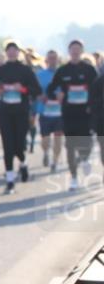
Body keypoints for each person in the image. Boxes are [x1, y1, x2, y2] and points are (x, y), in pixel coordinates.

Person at [0, 40, 42, 194]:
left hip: (21, 112)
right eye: (9, 50)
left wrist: (23, 89)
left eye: (14, 50)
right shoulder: (0, 70)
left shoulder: (25, 70)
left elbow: (36, 90)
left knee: (19, 145)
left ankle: (23, 163)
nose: (12, 52)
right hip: (5, 112)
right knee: (8, 146)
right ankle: (10, 180)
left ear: (19, 52)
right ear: (6, 53)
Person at [46, 39, 99, 191]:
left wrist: (92, 105)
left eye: (78, 49)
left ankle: (84, 159)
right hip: (68, 114)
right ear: (69, 52)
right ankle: (74, 178)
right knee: (70, 146)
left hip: (86, 114)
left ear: (82, 51)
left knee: (86, 144)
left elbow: (97, 90)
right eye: (72, 49)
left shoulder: (89, 70)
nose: (75, 51)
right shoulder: (62, 71)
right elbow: (51, 89)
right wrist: (57, 96)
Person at [35, 49, 63, 173]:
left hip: (60, 112)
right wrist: (40, 96)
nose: (52, 60)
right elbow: (35, 90)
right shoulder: (40, 75)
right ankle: (46, 152)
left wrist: (63, 96)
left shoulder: (63, 73)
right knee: (45, 139)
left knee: (58, 138)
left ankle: (55, 162)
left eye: (54, 58)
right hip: (45, 112)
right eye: (50, 58)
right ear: (46, 60)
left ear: (58, 60)